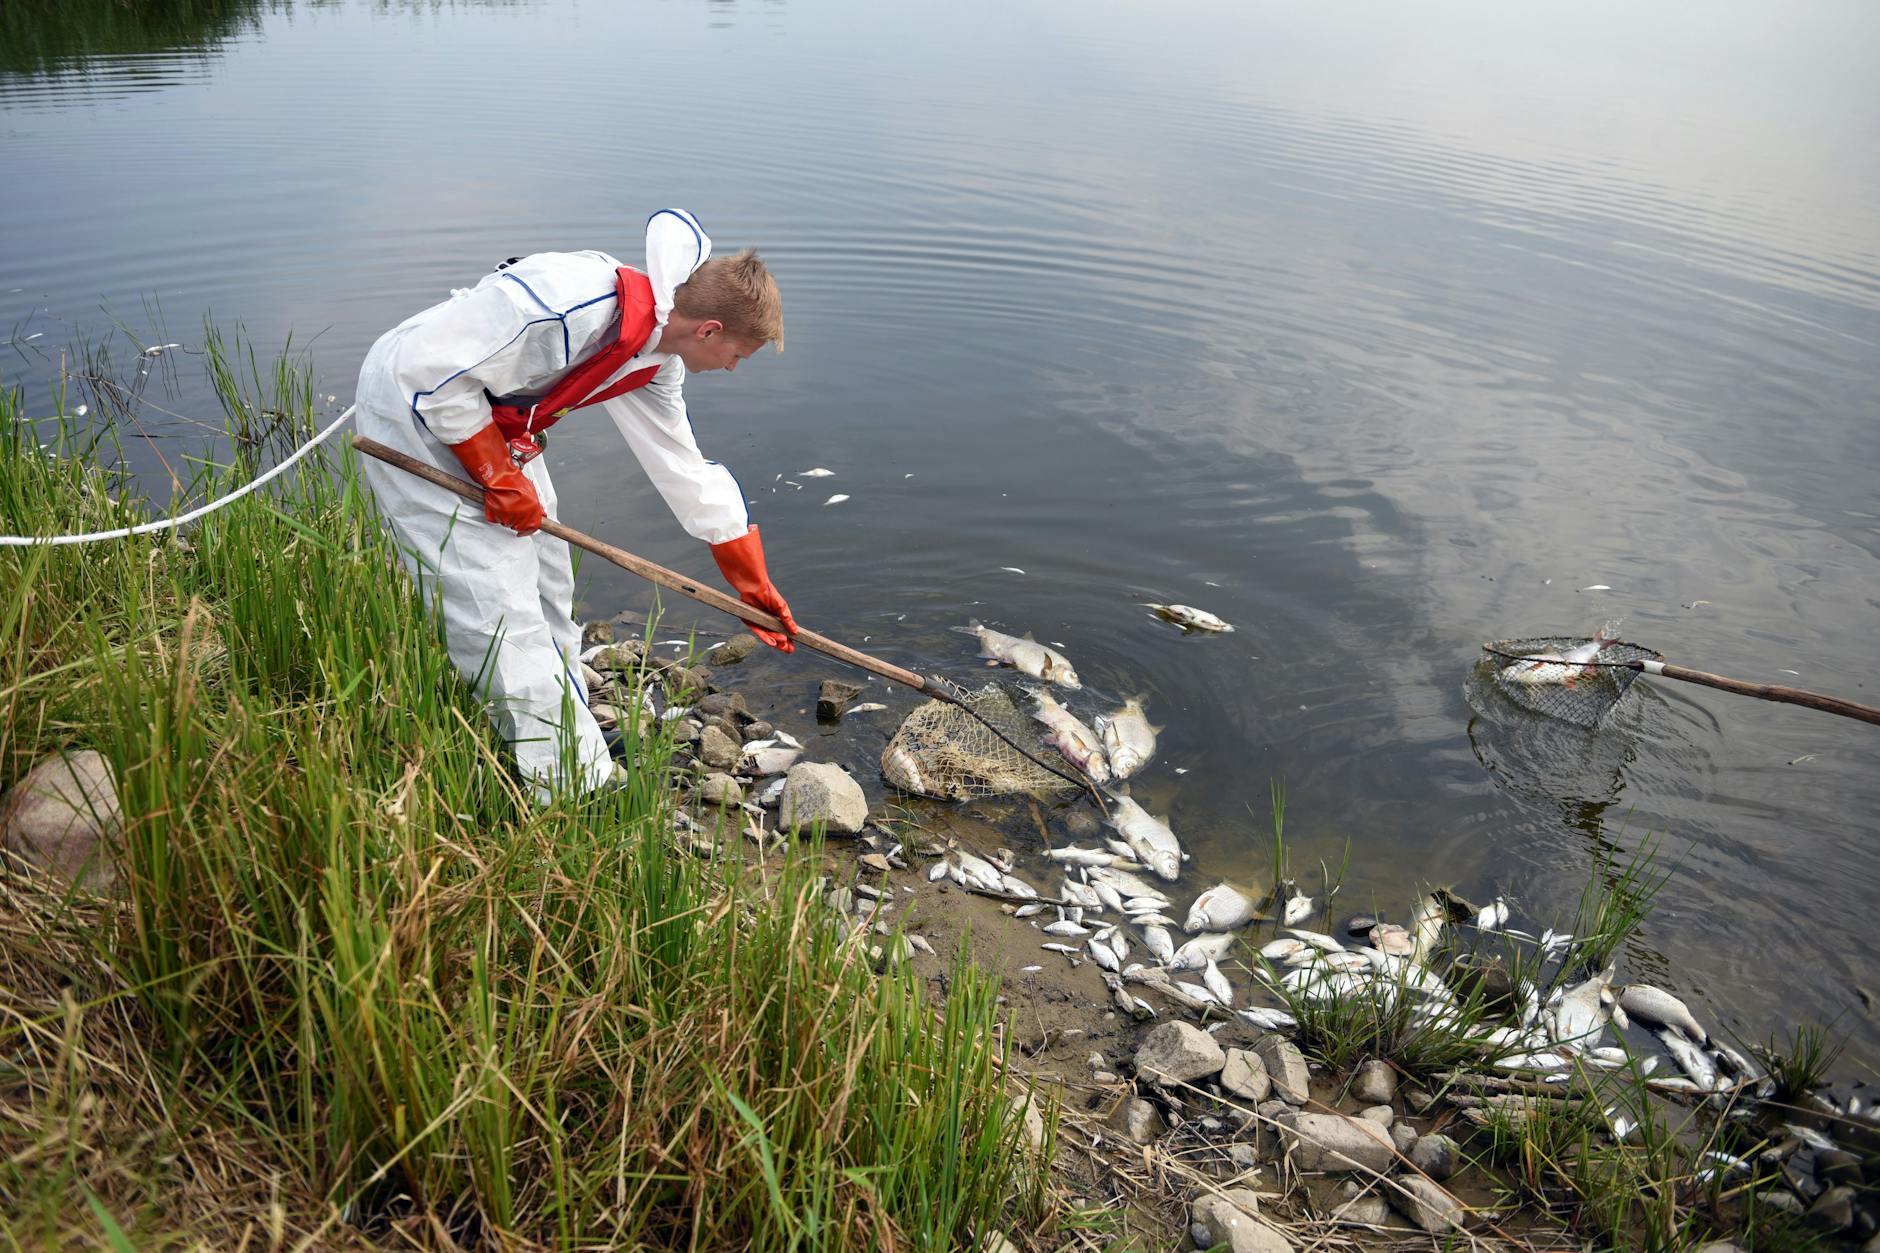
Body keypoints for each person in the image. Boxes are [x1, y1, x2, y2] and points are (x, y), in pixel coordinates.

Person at [354, 208, 797, 801]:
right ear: (710, 329)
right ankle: (572, 788)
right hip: (412, 411)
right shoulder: (571, 306)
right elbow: (428, 373)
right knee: (496, 606)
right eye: (739, 354)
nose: (735, 368)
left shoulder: (656, 359)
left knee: (546, 579)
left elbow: (683, 467)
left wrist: (751, 584)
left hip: (493, 418)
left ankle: (569, 730)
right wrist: (494, 474)